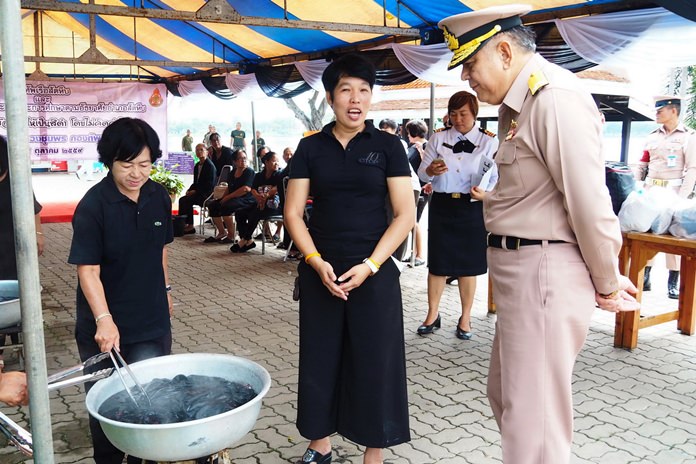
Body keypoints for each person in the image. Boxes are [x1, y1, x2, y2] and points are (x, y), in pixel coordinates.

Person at [438, 5, 638, 463]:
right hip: (522, 276)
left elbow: (589, 202)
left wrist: (607, 281)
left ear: (504, 51)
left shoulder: (554, 98)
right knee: (510, 401)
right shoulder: (522, 103)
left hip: (543, 272)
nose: (467, 78)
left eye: (471, 64)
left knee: (536, 428)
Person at [285, 53, 414, 464]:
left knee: (375, 358)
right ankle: (319, 443)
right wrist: (314, 261)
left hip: (373, 271)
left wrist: (372, 265)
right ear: (330, 97)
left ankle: (373, 450)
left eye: (364, 90)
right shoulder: (310, 147)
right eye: (346, 90)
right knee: (321, 355)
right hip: (321, 268)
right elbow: (292, 212)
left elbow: (405, 214)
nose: (355, 99)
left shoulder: (389, 146)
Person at [68, 117, 174, 464]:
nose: (136, 173)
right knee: (109, 410)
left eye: (144, 164)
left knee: (151, 404)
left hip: (152, 322)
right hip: (104, 327)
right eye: (127, 164)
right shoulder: (93, 205)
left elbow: (160, 250)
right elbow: (89, 269)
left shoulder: (158, 195)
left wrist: (167, 290)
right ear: (109, 161)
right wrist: (104, 319)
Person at [416, 91, 498, 340]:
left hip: (472, 207)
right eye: (453, 114)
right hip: (442, 205)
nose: (458, 119)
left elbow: (496, 177)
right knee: (438, 263)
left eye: (463, 114)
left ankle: (465, 317)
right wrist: (430, 169)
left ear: (475, 113)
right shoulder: (438, 138)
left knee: (468, 266)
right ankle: (432, 314)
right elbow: (422, 174)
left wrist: (486, 193)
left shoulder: (489, 142)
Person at [636, 96, 696, 299]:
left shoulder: (688, 136)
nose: (656, 114)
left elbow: (692, 169)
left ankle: (673, 280)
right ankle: (645, 277)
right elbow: (642, 165)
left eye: (660, 110)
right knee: (647, 230)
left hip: (673, 192)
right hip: (651, 191)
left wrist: (681, 198)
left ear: (673, 111)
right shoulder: (652, 136)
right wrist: (638, 189)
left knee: (672, 236)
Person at [0, 136, 44, 370]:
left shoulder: (18, 179)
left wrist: (38, 235)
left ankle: (19, 342)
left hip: (16, 249)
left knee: (17, 296)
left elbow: (34, 208)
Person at [378, 118, 421, 262]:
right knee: (391, 221)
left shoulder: (398, 143)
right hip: (391, 185)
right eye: (382, 130)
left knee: (402, 220)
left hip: (409, 185)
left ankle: (397, 260)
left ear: (396, 131)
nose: (384, 133)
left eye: (387, 130)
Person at [233, 151, 284, 253]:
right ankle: (248, 240)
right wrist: (257, 196)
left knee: (256, 213)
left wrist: (266, 196)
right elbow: (253, 189)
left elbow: (276, 189)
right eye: (274, 161)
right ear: (266, 162)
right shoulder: (259, 175)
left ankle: (244, 240)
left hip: (275, 206)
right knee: (240, 212)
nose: (277, 163)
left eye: (278, 161)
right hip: (259, 203)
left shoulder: (279, 175)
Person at [203, 149, 256, 244]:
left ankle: (231, 235)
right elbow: (229, 187)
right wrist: (222, 198)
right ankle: (222, 232)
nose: (243, 160)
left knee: (226, 206)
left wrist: (227, 198)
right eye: (240, 158)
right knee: (213, 205)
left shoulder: (249, 172)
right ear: (235, 161)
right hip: (233, 198)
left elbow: (245, 189)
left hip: (246, 199)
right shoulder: (232, 173)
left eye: (244, 158)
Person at [404, 119, 430, 266]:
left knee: (415, 220)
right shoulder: (412, 147)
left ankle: (420, 255)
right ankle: (414, 253)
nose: (407, 136)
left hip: (422, 188)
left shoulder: (425, 146)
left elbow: (428, 166)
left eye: (408, 133)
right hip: (413, 187)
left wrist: (421, 151)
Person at [178, 143, 217, 234]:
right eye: (197, 150)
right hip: (198, 192)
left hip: (206, 194)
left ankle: (191, 226)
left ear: (206, 152)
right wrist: (189, 190)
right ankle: (184, 224)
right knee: (182, 199)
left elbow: (209, 185)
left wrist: (195, 191)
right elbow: (196, 182)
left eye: (201, 150)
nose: (199, 152)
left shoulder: (210, 166)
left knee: (187, 200)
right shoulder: (197, 166)